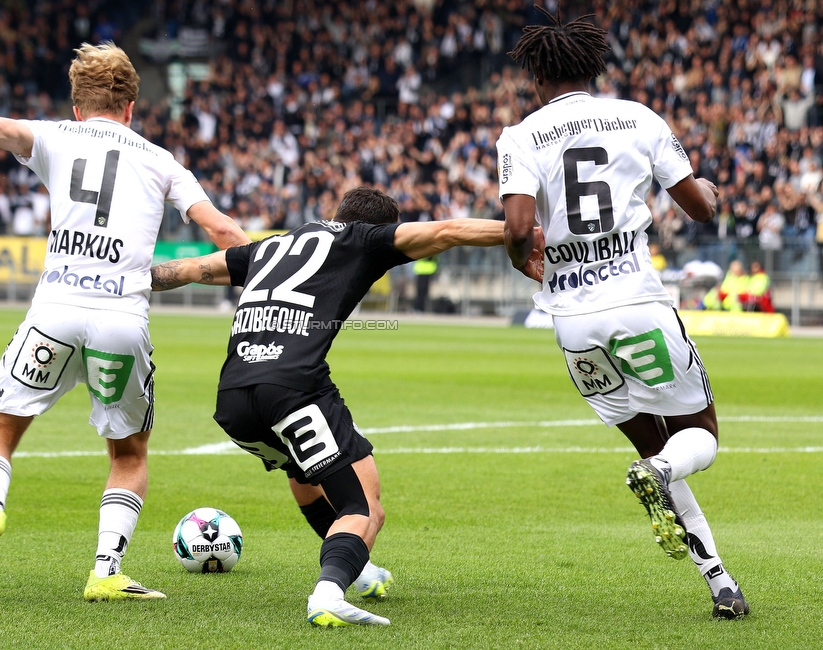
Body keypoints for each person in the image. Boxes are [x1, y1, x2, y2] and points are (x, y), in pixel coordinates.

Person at [0, 43, 249, 601]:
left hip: (53, 315)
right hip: (121, 320)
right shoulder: (161, 161)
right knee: (128, 454)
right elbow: (225, 234)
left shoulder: (56, 136)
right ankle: (106, 571)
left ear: (78, 107)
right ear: (131, 107)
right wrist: (275, 277)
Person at [150, 186, 543, 627]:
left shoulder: (273, 245)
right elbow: (448, 230)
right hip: (294, 388)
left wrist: (120, 282)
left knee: (302, 469)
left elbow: (187, 268)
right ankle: (328, 593)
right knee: (364, 507)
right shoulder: (362, 239)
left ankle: (360, 569)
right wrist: (522, 233)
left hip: (233, 400)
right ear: (382, 227)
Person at [498, 9, 748, 619]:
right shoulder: (639, 118)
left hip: (572, 320)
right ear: (595, 67)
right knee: (700, 438)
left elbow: (518, 226)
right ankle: (663, 472)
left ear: (535, 75)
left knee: (651, 452)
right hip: (637, 303)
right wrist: (710, 189)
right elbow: (700, 209)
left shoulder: (522, 135)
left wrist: (522, 259)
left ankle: (721, 584)